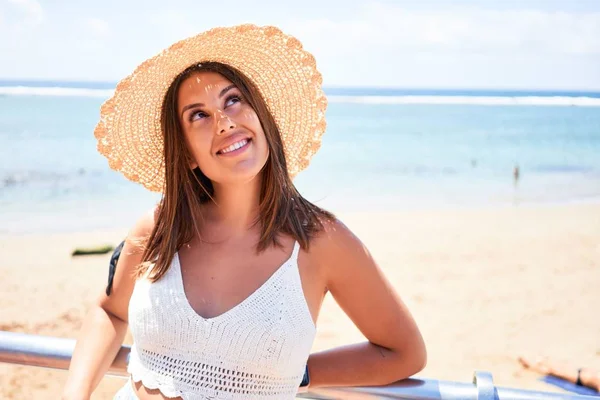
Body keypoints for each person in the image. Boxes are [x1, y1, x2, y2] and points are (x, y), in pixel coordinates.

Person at [62, 24, 426, 400]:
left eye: (233, 100)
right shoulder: (159, 227)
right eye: (198, 115)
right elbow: (110, 312)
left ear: (262, 118)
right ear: (185, 153)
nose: (225, 121)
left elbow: (403, 353)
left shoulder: (320, 241)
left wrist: (298, 374)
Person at [518, 356, 600, 393]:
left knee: (554, 372)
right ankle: (536, 365)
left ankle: (532, 366)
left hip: (579, 379)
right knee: (556, 370)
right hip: (581, 375)